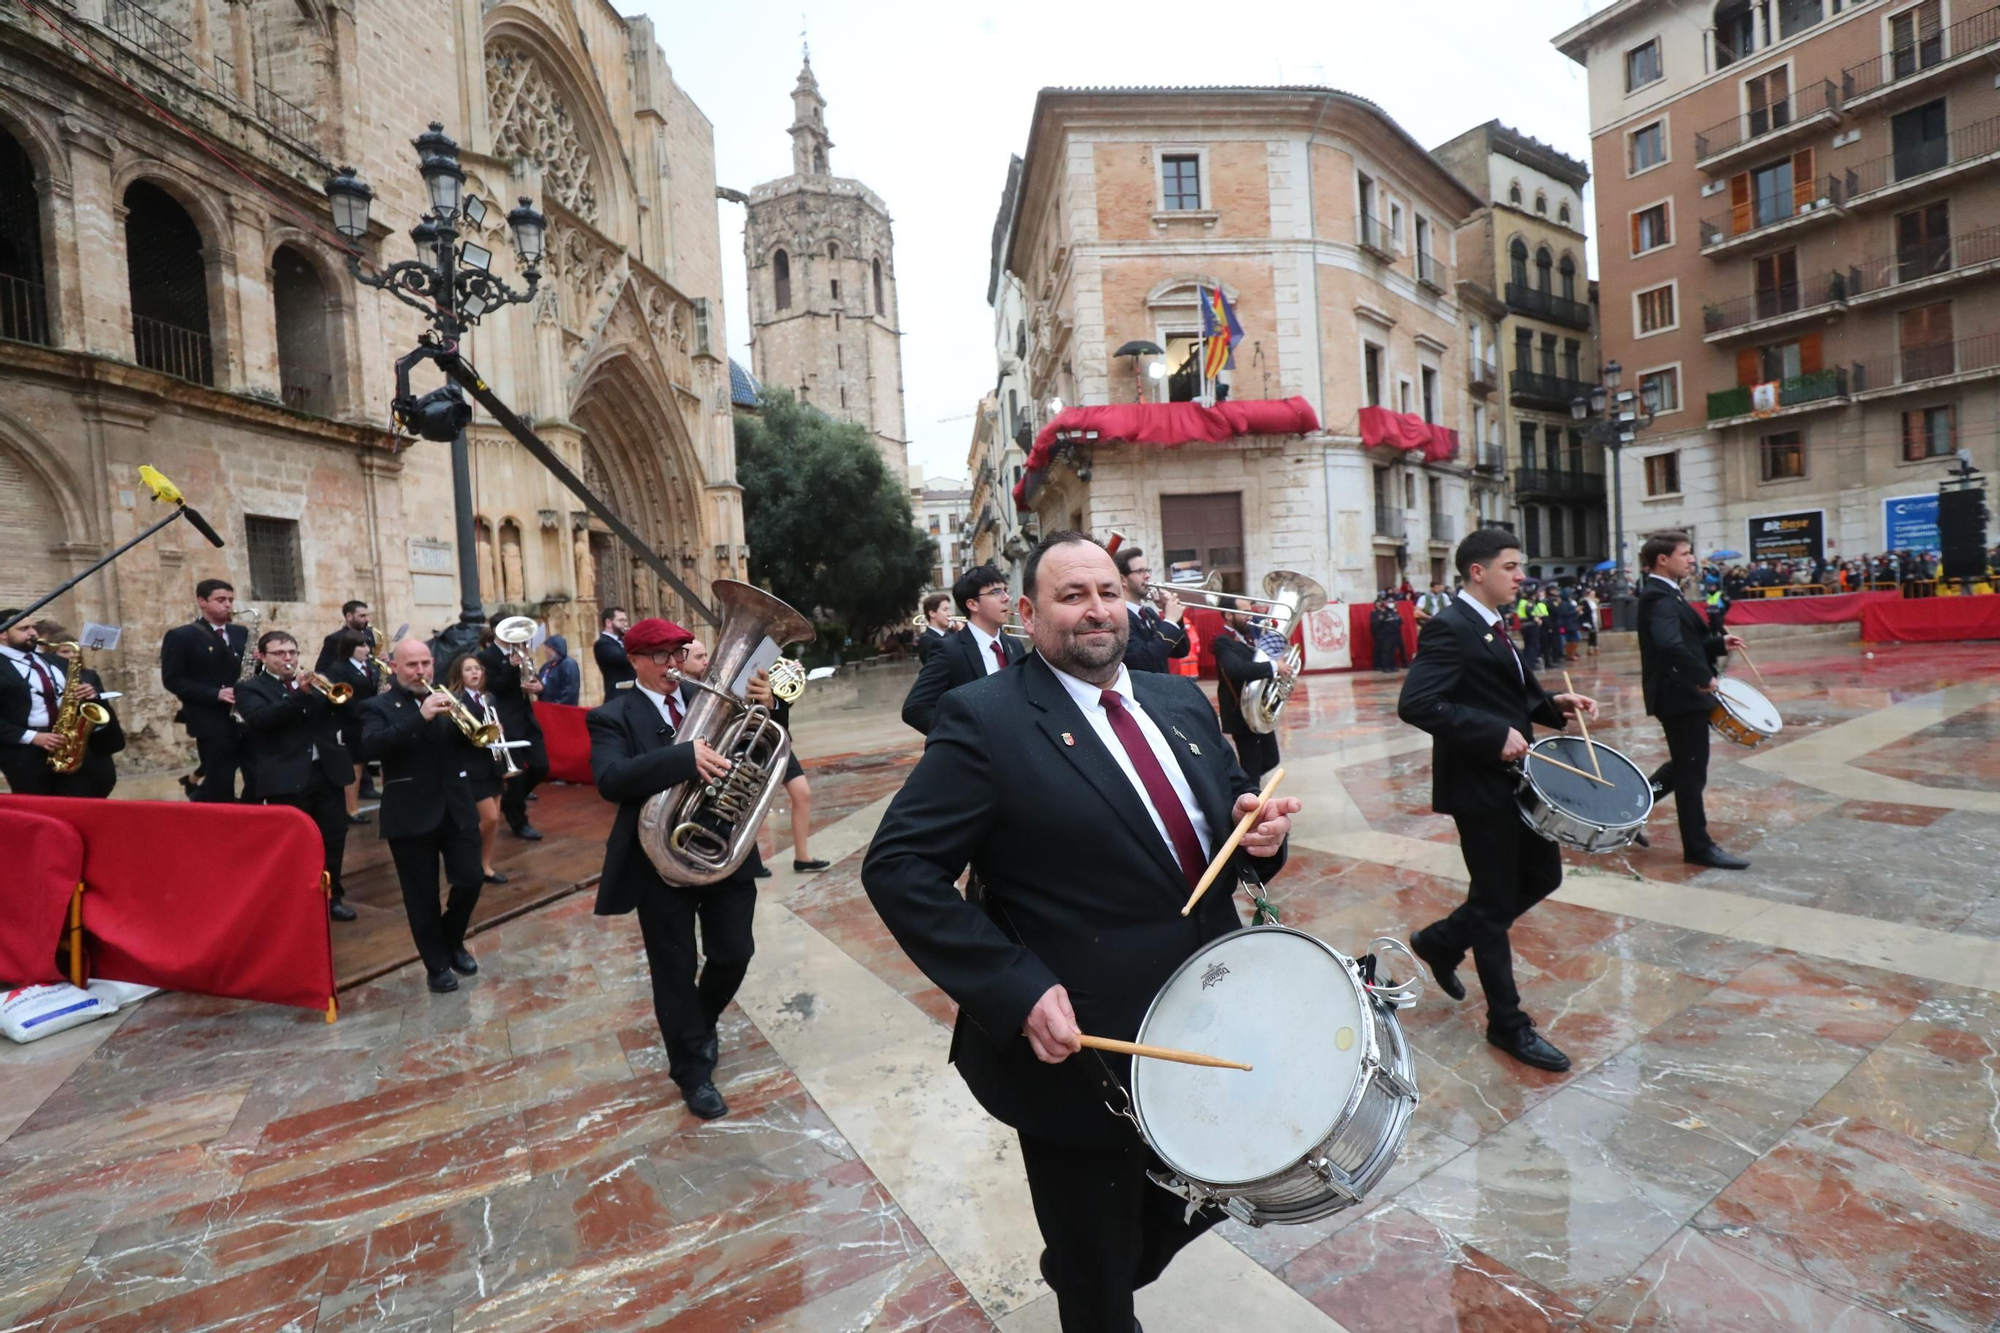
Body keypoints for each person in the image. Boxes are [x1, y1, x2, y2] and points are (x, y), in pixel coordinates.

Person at [862, 531, 1298, 1332]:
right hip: (1081, 1051)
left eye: (1107, 591)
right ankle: (1086, 1276)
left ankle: (1082, 1260)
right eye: (1072, 596)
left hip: (1200, 1024)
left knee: (1195, 1205)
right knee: (1099, 1286)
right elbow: (898, 867)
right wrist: (1015, 986)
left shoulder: (1175, 697)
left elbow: (1233, 819)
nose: (1097, 609)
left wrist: (1260, 833)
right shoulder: (984, 717)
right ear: (1028, 614)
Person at [1397, 527, 1599, 1074]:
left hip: (1515, 783)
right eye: (1511, 567)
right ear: (1477, 572)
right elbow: (1416, 704)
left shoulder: (1490, 625)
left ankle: (1441, 940)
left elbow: (1506, 692)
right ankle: (1507, 1024)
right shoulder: (1449, 627)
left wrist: (1555, 704)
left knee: (1544, 877)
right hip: (1479, 789)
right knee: (1492, 904)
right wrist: (1490, 734)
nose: (1521, 576)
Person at [588, 617, 774, 1121]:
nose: (674, 666)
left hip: (721, 848)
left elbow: (761, 747)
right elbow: (610, 780)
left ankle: (698, 1024)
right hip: (656, 862)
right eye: (661, 657)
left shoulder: (706, 697)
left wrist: (770, 706)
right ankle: (692, 1074)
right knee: (673, 971)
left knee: (735, 952)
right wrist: (681, 757)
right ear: (634, 662)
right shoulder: (612, 716)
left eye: (679, 654)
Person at [357, 638, 486, 994]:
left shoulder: (450, 698)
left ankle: (452, 939)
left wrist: (482, 736)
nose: (421, 671)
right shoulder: (376, 706)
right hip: (410, 811)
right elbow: (371, 747)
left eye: (426, 663)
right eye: (412, 665)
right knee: (421, 895)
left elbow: (465, 749)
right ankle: (437, 964)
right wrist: (421, 715)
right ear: (394, 667)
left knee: (471, 878)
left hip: (456, 806)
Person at [1637, 532, 1752, 870]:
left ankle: (1629, 807)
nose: (1691, 560)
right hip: (1680, 695)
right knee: (1691, 774)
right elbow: (1669, 646)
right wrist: (1705, 678)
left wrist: (1718, 643)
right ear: (1663, 559)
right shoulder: (1658, 597)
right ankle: (1698, 846)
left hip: (1682, 694)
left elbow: (1685, 641)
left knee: (1682, 766)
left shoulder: (1669, 594)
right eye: (1685, 554)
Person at [236, 630, 358, 922]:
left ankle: (332, 896)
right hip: (286, 776)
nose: (287, 658)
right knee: (296, 842)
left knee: (334, 837)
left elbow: (347, 714)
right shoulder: (250, 689)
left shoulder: (314, 684)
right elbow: (262, 721)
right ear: (261, 656)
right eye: (279, 653)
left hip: (326, 771)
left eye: (292, 652)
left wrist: (331, 695)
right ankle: (298, 897)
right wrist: (299, 694)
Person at [901, 564, 1025, 735]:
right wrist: (965, 738)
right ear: (973, 604)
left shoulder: (1014, 645)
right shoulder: (949, 650)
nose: (1006, 598)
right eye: (996, 592)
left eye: (1005, 590)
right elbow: (915, 708)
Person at [161, 579, 253, 802]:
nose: (228, 605)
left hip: (244, 716)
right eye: (220, 600)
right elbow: (173, 680)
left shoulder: (241, 633)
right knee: (220, 779)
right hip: (209, 718)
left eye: (230, 600)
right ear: (202, 601)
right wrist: (215, 694)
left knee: (254, 772)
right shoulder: (182, 636)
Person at [0, 613, 108, 797]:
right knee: (40, 812)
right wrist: (33, 737)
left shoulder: (55, 662)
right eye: (23, 629)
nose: (33, 633)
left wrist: (88, 694)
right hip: (24, 753)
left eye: (33, 627)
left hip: (67, 744)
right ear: (2, 634)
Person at [31, 623, 126, 799]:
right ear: (53, 655)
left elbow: (100, 704)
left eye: (74, 651)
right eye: (64, 652)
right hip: (63, 737)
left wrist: (93, 694)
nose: (71, 655)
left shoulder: (88, 674)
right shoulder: (46, 675)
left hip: (90, 740)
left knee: (102, 781)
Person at [477, 619, 548, 842]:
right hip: (507, 719)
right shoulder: (486, 657)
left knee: (541, 766)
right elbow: (493, 687)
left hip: (527, 717)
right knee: (515, 775)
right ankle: (519, 822)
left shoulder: (520, 652)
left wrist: (539, 687)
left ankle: (510, 802)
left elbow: (531, 679)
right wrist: (511, 666)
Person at [447, 651, 511, 885]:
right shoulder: (455, 701)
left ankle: (485, 864)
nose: (474, 672)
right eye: (468, 669)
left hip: (491, 764)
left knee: (494, 820)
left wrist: (497, 729)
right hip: (471, 765)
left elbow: (492, 729)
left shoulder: (489, 698)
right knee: (489, 818)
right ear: (459, 674)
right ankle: (472, 861)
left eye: (477, 668)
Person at [1211, 607, 1291, 782]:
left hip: (1259, 709)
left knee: (1271, 759)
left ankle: (1244, 788)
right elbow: (1236, 670)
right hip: (1242, 712)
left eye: (1250, 610)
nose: (1250, 616)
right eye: (1244, 611)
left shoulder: (1251, 637)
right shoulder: (1223, 641)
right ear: (1229, 615)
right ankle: (1250, 801)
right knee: (1252, 767)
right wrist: (1274, 666)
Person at [322, 629, 380, 824]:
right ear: (350, 648)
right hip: (351, 721)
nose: (367, 649)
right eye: (362, 645)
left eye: (367, 645)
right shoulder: (339, 668)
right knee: (355, 766)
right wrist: (363, 712)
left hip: (370, 720)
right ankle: (351, 809)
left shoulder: (371, 666)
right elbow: (340, 696)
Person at [1114, 545, 1191, 674]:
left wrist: (1172, 615)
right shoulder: (1120, 617)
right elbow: (1143, 661)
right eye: (1140, 571)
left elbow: (1181, 651)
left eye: (1147, 570)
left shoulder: (1148, 613)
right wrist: (1170, 621)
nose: (1148, 575)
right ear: (1123, 580)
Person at [314, 600, 376, 676]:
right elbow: (321, 669)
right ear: (349, 616)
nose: (367, 619)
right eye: (362, 616)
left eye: (367, 615)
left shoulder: (368, 633)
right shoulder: (334, 639)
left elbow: (370, 659)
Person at [594, 607, 635, 693]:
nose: (625, 624)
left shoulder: (622, 641)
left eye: (625, 620)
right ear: (608, 622)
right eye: (621, 621)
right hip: (617, 694)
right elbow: (622, 657)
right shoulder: (602, 644)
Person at [538, 634, 580, 705]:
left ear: (556, 649)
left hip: (561, 710)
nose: (546, 651)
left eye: (548, 648)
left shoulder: (569, 664)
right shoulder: (546, 666)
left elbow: (570, 692)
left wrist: (554, 707)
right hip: (546, 708)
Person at [916, 592, 955, 663]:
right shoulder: (927, 639)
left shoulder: (949, 635)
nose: (950, 614)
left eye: (949, 609)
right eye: (945, 610)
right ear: (932, 613)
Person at [1369, 594, 1402, 672]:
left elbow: (1400, 622)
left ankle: (1392, 665)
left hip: (1394, 634)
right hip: (1386, 635)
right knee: (1385, 651)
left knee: (1392, 651)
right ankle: (1385, 667)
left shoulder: (1394, 612)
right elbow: (1377, 624)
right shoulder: (1383, 613)